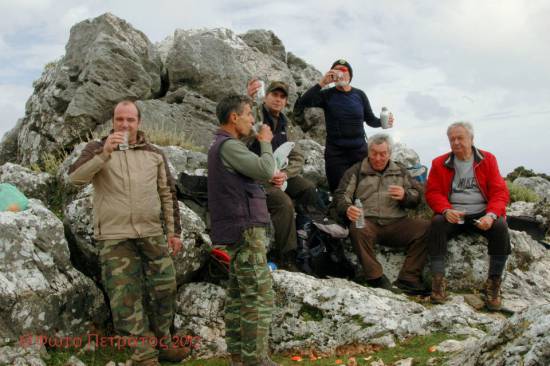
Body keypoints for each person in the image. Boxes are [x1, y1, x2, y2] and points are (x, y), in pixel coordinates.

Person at [68, 100, 186, 366]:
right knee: (124, 297)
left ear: (138, 123)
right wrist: (104, 153)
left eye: (130, 120)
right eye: (119, 119)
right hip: (114, 236)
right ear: (112, 121)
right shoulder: (96, 148)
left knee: (165, 288)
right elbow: (74, 179)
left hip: (151, 232)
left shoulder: (154, 153)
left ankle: (163, 344)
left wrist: (174, 232)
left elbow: (167, 193)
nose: (124, 124)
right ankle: (143, 355)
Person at [207, 94, 278, 366]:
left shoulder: (222, 146)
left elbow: (251, 176)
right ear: (234, 117)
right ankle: (256, 359)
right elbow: (265, 168)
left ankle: (238, 357)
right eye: (248, 113)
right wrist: (266, 144)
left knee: (238, 294)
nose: (252, 119)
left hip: (236, 229)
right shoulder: (229, 146)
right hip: (246, 229)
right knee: (258, 295)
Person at [425, 121, 510, 310]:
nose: (455, 142)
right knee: (437, 222)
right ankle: (438, 282)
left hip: (481, 212)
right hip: (454, 213)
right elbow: (432, 193)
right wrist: (446, 210)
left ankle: (493, 284)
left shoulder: (487, 159)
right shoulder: (439, 163)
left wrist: (491, 215)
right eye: (452, 139)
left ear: (471, 139)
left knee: (501, 227)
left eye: (460, 138)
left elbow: (500, 192)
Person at [333, 133, 429, 294]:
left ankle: (409, 278)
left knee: (428, 228)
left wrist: (406, 195)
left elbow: (418, 196)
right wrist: (348, 208)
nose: (378, 158)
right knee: (357, 229)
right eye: (374, 153)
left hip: (398, 223)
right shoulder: (356, 170)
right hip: (368, 223)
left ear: (389, 153)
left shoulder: (400, 171)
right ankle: (375, 277)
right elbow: (341, 195)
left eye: (383, 154)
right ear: (368, 152)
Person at [246, 79, 324, 270]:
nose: (278, 100)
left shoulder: (287, 125)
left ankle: (313, 241)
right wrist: (266, 173)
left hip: (279, 174)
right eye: (274, 95)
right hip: (256, 176)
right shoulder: (254, 116)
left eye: (282, 97)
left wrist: (284, 174)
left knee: (308, 189)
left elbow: (298, 156)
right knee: (284, 203)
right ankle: (287, 256)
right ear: (266, 96)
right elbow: (240, 143)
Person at [293, 59, 395, 192]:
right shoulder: (327, 95)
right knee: (339, 191)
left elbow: (370, 120)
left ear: (350, 75)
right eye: (335, 70)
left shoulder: (359, 95)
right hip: (336, 153)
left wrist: (383, 122)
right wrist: (322, 83)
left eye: (343, 70)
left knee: (363, 190)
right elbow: (303, 102)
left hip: (359, 151)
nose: (339, 73)